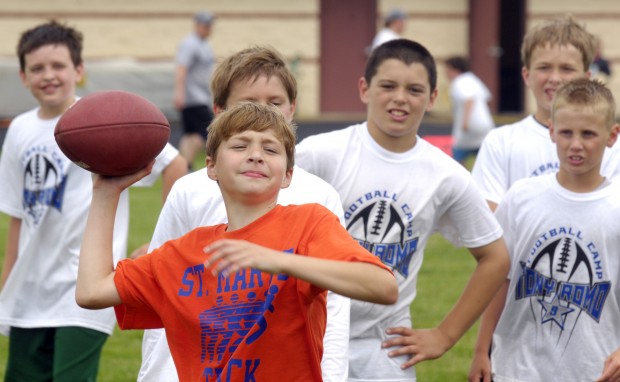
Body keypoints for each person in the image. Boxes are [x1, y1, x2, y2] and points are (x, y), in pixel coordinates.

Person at [75, 102, 398, 381]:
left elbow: (383, 286)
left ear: (287, 175)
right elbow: (92, 291)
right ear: (211, 167)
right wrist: (105, 193)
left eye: (270, 149)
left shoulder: (309, 223)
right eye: (240, 146)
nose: (256, 155)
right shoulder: (184, 252)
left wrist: (278, 261)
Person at [295, 38, 511, 381]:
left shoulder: (447, 175)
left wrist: (445, 335)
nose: (400, 98)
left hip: (384, 347)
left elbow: (496, 257)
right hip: (308, 334)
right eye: (388, 86)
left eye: (414, 89)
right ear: (365, 89)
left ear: (433, 97)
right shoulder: (320, 154)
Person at [137, 45, 354, 382]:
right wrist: (155, 371)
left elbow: (336, 302)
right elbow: (166, 288)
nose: (263, 112)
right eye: (246, 103)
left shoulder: (319, 196)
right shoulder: (189, 190)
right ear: (219, 111)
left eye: (275, 103)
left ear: (292, 109)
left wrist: (332, 374)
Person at [0, 20, 186, 381]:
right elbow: (18, 216)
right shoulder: (19, 129)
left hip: (84, 288)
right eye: (37, 68)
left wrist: (163, 240)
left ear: (79, 71)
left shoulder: (104, 119)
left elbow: (174, 162)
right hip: (30, 291)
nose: (48, 76)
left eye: (58, 66)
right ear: (23, 76)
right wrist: (8, 283)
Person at [468, 78, 620, 382]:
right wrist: (481, 349)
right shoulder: (522, 197)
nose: (575, 144)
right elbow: (501, 277)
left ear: (611, 136)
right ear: (551, 131)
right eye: (566, 132)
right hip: (516, 368)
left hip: (593, 369)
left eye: (588, 133)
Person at [471, 15, 620, 211]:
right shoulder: (500, 142)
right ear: (527, 75)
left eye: (567, 69)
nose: (555, 78)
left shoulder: (612, 147)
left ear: (586, 77)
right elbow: (487, 219)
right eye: (544, 68)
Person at [175, 10, 216, 169]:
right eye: (206, 25)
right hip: (193, 98)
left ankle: (182, 167)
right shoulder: (190, 44)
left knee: (190, 134)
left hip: (201, 96)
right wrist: (179, 94)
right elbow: (181, 69)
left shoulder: (205, 44)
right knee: (207, 131)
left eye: (210, 25)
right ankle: (186, 165)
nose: (209, 28)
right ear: (198, 25)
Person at [445, 56, 495, 166]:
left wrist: (465, 122)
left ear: (454, 69)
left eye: (447, 69)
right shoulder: (473, 79)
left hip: (469, 128)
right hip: (485, 125)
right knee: (485, 157)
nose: (446, 73)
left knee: (458, 157)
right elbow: (486, 97)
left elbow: (469, 99)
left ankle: (459, 181)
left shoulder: (459, 82)